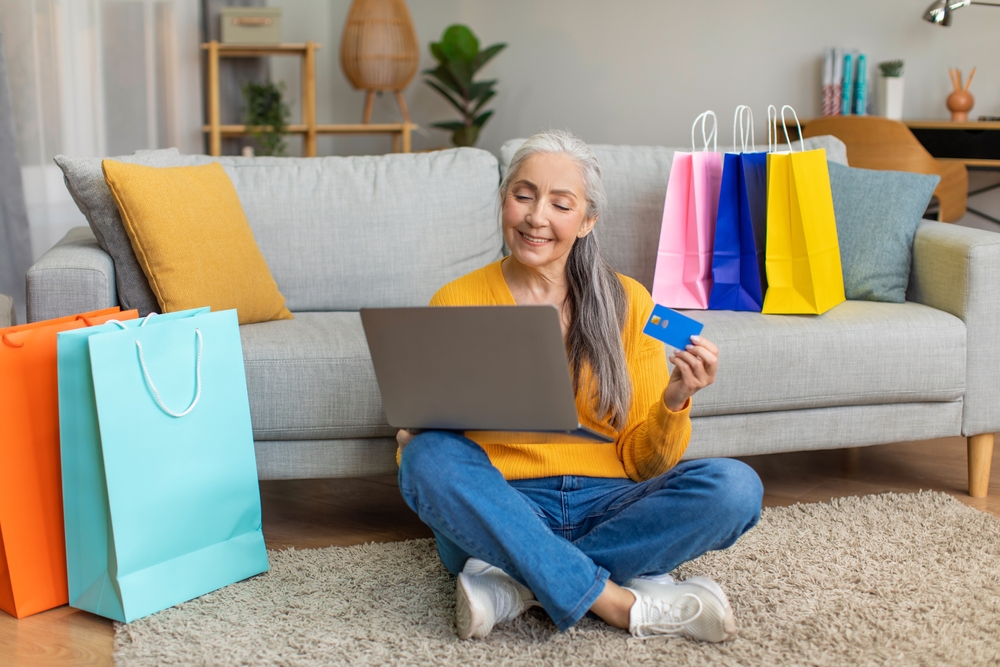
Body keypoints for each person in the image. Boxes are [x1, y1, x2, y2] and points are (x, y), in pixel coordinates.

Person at [396, 130, 763, 642]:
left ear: (587, 221)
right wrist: (415, 437)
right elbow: (431, 467)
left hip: (610, 505)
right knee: (427, 458)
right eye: (522, 195)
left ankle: (517, 586)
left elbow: (644, 464)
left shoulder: (629, 302)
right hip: (506, 505)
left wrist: (675, 401)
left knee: (736, 487)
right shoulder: (456, 300)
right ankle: (619, 601)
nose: (535, 217)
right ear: (505, 200)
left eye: (560, 204)